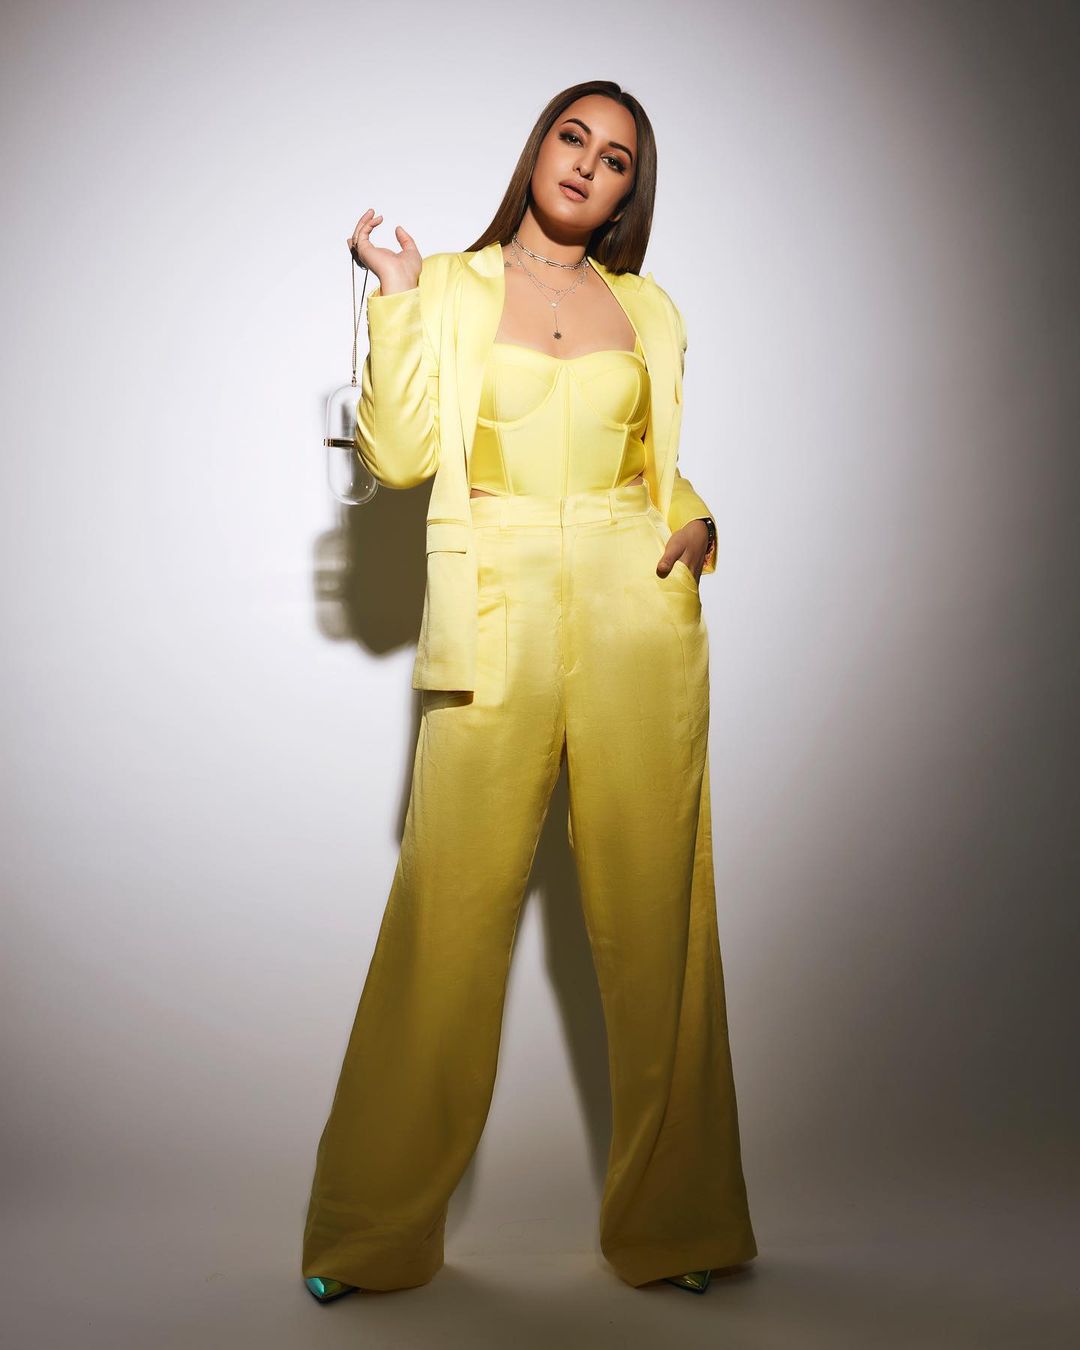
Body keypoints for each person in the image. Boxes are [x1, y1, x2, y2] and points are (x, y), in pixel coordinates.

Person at [301, 79, 757, 1303]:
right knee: (446, 921)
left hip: (636, 614)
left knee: (661, 923)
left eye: (616, 160)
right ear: (539, 146)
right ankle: (370, 1233)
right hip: (491, 610)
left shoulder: (647, 308)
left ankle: (680, 1225)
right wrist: (395, 297)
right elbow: (402, 455)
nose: (588, 165)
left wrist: (698, 521)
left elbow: (656, 465)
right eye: (573, 137)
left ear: (626, 194)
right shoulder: (449, 286)